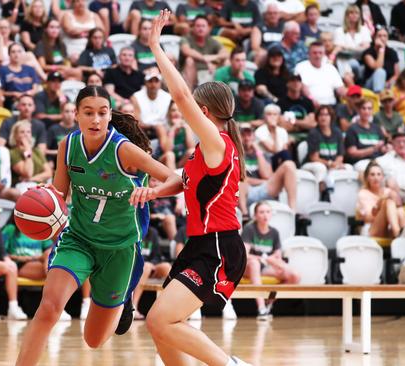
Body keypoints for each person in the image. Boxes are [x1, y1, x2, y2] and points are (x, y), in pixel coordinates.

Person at [15, 81, 182, 364]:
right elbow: (58, 196)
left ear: (109, 115)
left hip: (119, 249)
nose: (96, 119)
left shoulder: (125, 151)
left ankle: (124, 299)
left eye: (102, 113)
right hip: (78, 239)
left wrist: (152, 190)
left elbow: (177, 180)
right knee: (49, 309)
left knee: (94, 340)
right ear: (76, 115)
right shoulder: (68, 146)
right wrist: (41, 200)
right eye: (88, 112)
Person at [144, 10, 251, 365]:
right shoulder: (205, 151)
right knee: (160, 325)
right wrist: (153, 191)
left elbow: (180, 96)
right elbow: (182, 180)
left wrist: (156, 48)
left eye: (195, 108)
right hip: (201, 245)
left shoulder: (218, 142)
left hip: (220, 246)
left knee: (161, 320)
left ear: (205, 111)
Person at [242, 201, 300, 320]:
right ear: (255, 215)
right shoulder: (249, 229)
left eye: (268, 212)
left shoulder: (274, 232)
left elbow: (277, 256)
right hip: (248, 267)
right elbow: (245, 255)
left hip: (265, 267)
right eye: (261, 212)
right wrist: (263, 258)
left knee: (294, 276)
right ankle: (261, 308)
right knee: (254, 264)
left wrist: (275, 263)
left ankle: (270, 301)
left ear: (271, 214)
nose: (265, 215)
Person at [238, 124, 297, 216]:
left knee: (289, 165)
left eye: (249, 135)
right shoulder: (236, 154)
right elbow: (243, 178)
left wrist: (257, 150)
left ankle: (292, 211)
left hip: (264, 188)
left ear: (253, 137)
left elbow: (267, 175)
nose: (246, 138)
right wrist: (262, 181)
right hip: (245, 191)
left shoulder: (263, 154)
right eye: (243, 135)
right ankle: (245, 214)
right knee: (241, 181)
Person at [356, 161, 405, 238]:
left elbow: (399, 207)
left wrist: (395, 195)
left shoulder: (388, 191)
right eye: (372, 175)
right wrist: (381, 203)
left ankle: (404, 236)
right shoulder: (362, 193)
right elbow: (368, 218)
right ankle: (398, 233)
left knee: (400, 211)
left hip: (388, 228)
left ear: (382, 177)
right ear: (367, 178)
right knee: (387, 202)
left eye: (379, 174)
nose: (376, 178)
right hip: (372, 229)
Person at [131, 227, 171, 320]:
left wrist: (153, 264)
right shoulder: (133, 230)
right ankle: (134, 306)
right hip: (134, 268)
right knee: (146, 266)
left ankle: (172, 308)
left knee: (166, 267)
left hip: (150, 267)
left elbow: (157, 255)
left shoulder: (153, 232)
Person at [302, 106, 347, 184]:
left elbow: (340, 155)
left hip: (332, 164)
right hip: (312, 164)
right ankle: (320, 193)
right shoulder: (314, 133)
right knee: (321, 168)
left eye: (326, 115)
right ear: (317, 117)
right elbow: (314, 158)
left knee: (347, 168)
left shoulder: (337, 132)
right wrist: (330, 164)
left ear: (331, 117)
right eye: (321, 115)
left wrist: (336, 164)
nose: (323, 117)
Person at [180, 15, 227, 89]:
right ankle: (189, 94)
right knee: (189, 60)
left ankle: (224, 94)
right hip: (191, 73)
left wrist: (213, 60)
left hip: (209, 72)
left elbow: (225, 53)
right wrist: (204, 59)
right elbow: (186, 50)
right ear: (193, 27)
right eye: (198, 26)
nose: (200, 28)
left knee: (226, 62)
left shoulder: (211, 40)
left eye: (203, 26)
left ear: (208, 28)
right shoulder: (186, 39)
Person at [295, 42, 345, 108]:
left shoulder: (330, 68)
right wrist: (312, 99)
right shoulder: (301, 67)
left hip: (331, 105)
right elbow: (303, 88)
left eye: (320, 53)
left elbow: (340, 88)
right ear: (309, 54)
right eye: (314, 53)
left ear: (324, 54)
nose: (318, 56)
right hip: (310, 104)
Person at [345, 98, 389, 171]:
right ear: (358, 110)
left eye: (369, 109)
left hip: (377, 160)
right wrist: (373, 149)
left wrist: (386, 149)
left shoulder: (376, 128)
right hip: (361, 161)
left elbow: (381, 148)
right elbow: (352, 153)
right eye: (364, 108)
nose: (366, 111)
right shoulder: (352, 129)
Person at [8, 120, 53, 186]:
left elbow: (49, 173)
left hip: (40, 185)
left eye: (28, 132)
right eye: (22, 132)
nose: (26, 134)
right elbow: (28, 172)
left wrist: (31, 179)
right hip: (23, 186)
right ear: (15, 136)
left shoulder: (37, 151)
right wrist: (27, 149)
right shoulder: (13, 152)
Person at [130, 69, 172, 138]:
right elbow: (136, 121)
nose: (153, 84)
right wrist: (153, 127)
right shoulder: (136, 97)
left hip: (164, 130)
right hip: (143, 130)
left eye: (156, 81)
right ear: (145, 83)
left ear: (160, 83)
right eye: (150, 81)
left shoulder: (168, 97)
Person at [0, 43, 42, 108]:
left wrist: (29, 93)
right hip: (13, 101)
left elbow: (35, 87)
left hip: (30, 100)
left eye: (19, 51)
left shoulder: (30, 69)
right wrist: (13, 93)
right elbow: (0, 91)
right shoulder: (3, 70)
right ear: (9, 54)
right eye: (13, 52)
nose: (16, 54)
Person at [362, 27, 399, 93]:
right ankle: (379, 97)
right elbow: (378, 67)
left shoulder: (392, 52)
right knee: (380, 71)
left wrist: (389, 83)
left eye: (385, 36)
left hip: (388, 84)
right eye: (379, 36)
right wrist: (381, 49)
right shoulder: (368, 52)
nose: (382, 38)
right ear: (374, 38)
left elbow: (397, 74)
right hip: (370, 85)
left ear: (387, 38)